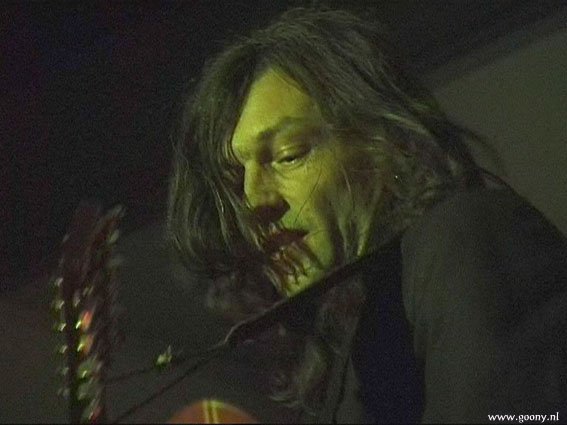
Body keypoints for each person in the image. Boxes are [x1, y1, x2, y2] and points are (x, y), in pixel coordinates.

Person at [167, 7, 567, 423]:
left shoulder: (465, 236)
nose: (253, 202)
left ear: (386, 145)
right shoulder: (349, 340)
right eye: (236, 181)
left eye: (289, 154)